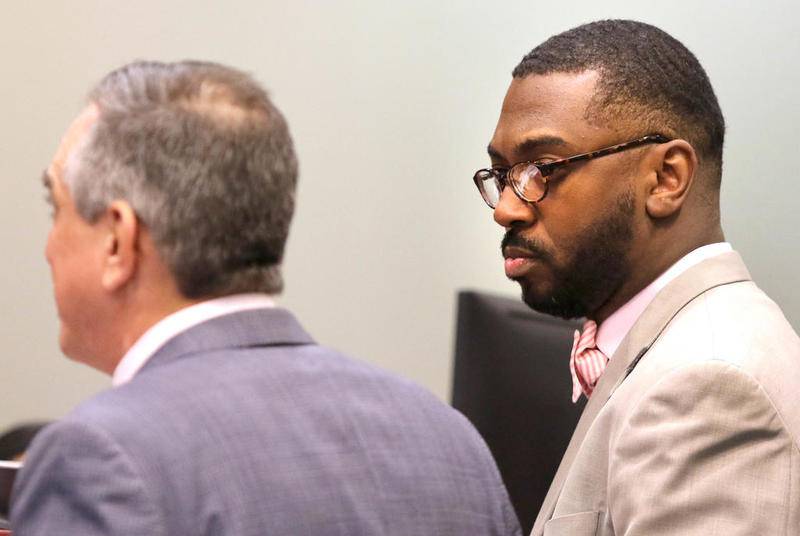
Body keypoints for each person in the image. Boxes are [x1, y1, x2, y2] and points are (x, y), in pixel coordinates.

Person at [11, 60, 521, 536]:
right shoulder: (448, 439)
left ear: (119, 239)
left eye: (56, 206)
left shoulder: (101, 458)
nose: (47, 247)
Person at [473, 19, 800, 536]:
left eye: (544, 169)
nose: (506, 209)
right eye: (503, 174)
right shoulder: (673, 352)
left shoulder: (710, 384)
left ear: (667, 178)